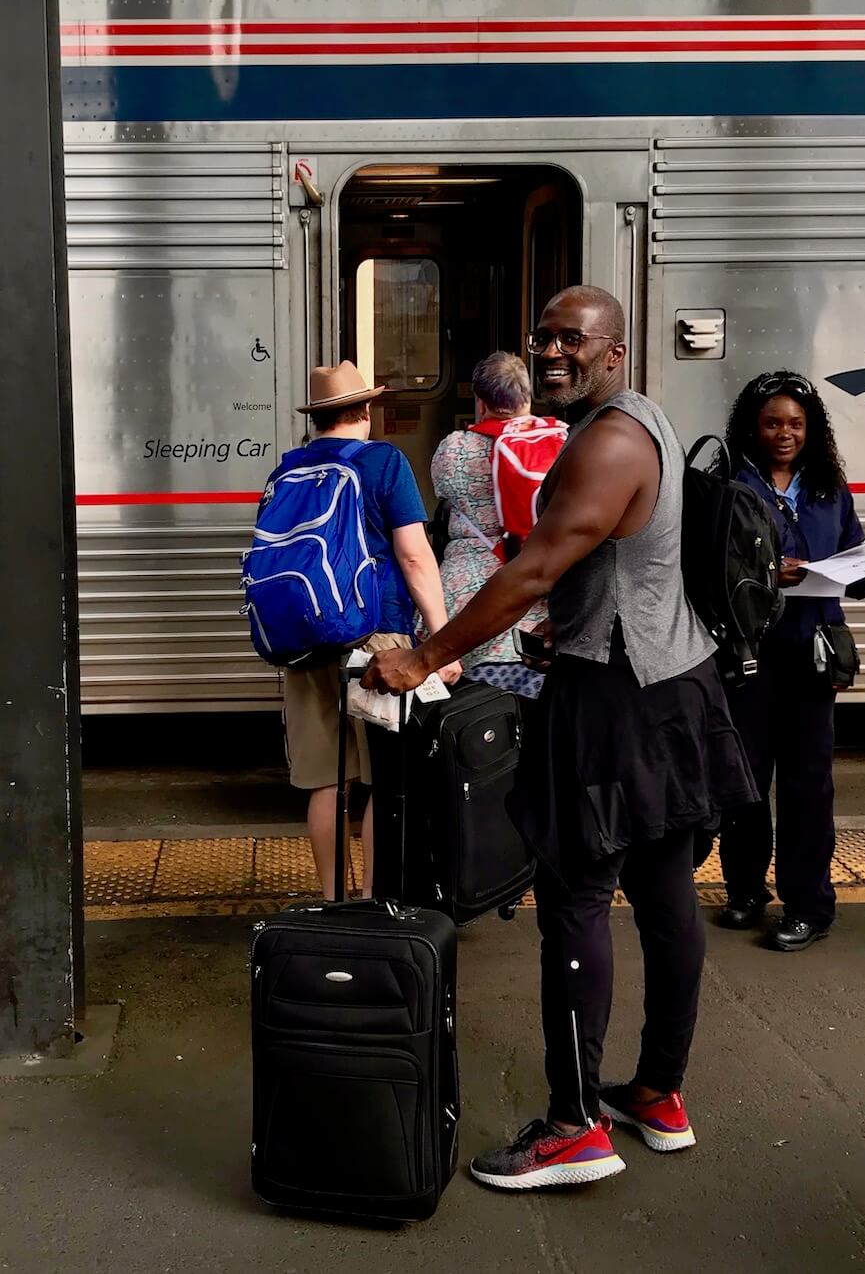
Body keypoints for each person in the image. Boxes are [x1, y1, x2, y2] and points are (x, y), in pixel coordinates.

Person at [363, 287, 756, 1192]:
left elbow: (535, 562)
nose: (550, 352)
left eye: (571, 340)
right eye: (541, 336)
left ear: (614, 351)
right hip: (672, 683)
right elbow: (609, 562)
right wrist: (564, 622)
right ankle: (658, 1093)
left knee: (575, 898)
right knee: (664, 892)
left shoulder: (606, 440)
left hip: (616, 700)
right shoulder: (644, 419)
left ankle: (575, 1125)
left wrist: (423, 657)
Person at [282, 361, 461, 899]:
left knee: (325, 780)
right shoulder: (384, 462)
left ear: (317, 418)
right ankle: (376, 901)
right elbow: (413, 555)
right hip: (377, 639)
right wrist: (442, 639)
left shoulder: (288, 469)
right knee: (386, 781)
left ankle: (333, 901)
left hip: (304, 641)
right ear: (364, 409)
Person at [716, 371, 865, 952]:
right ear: (752, 427)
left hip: (813, 652)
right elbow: (705, 569)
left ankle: (808, 906)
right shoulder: (729, 483)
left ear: (811, 430)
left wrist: (855, 572)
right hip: (749, 652)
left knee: (809, 784)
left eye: (796, 424)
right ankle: (745, 890)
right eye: (773, 423)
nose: (785, 434)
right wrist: (763, 573)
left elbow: (857, 558)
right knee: (745, 778)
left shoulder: (830, 488)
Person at [430, 350, 564, 699]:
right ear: (528, 394)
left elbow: (442, 490)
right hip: (537, 596)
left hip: (468, 604)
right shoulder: (564, 440)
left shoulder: (456, 448)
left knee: (475, 715)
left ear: (481, 400)